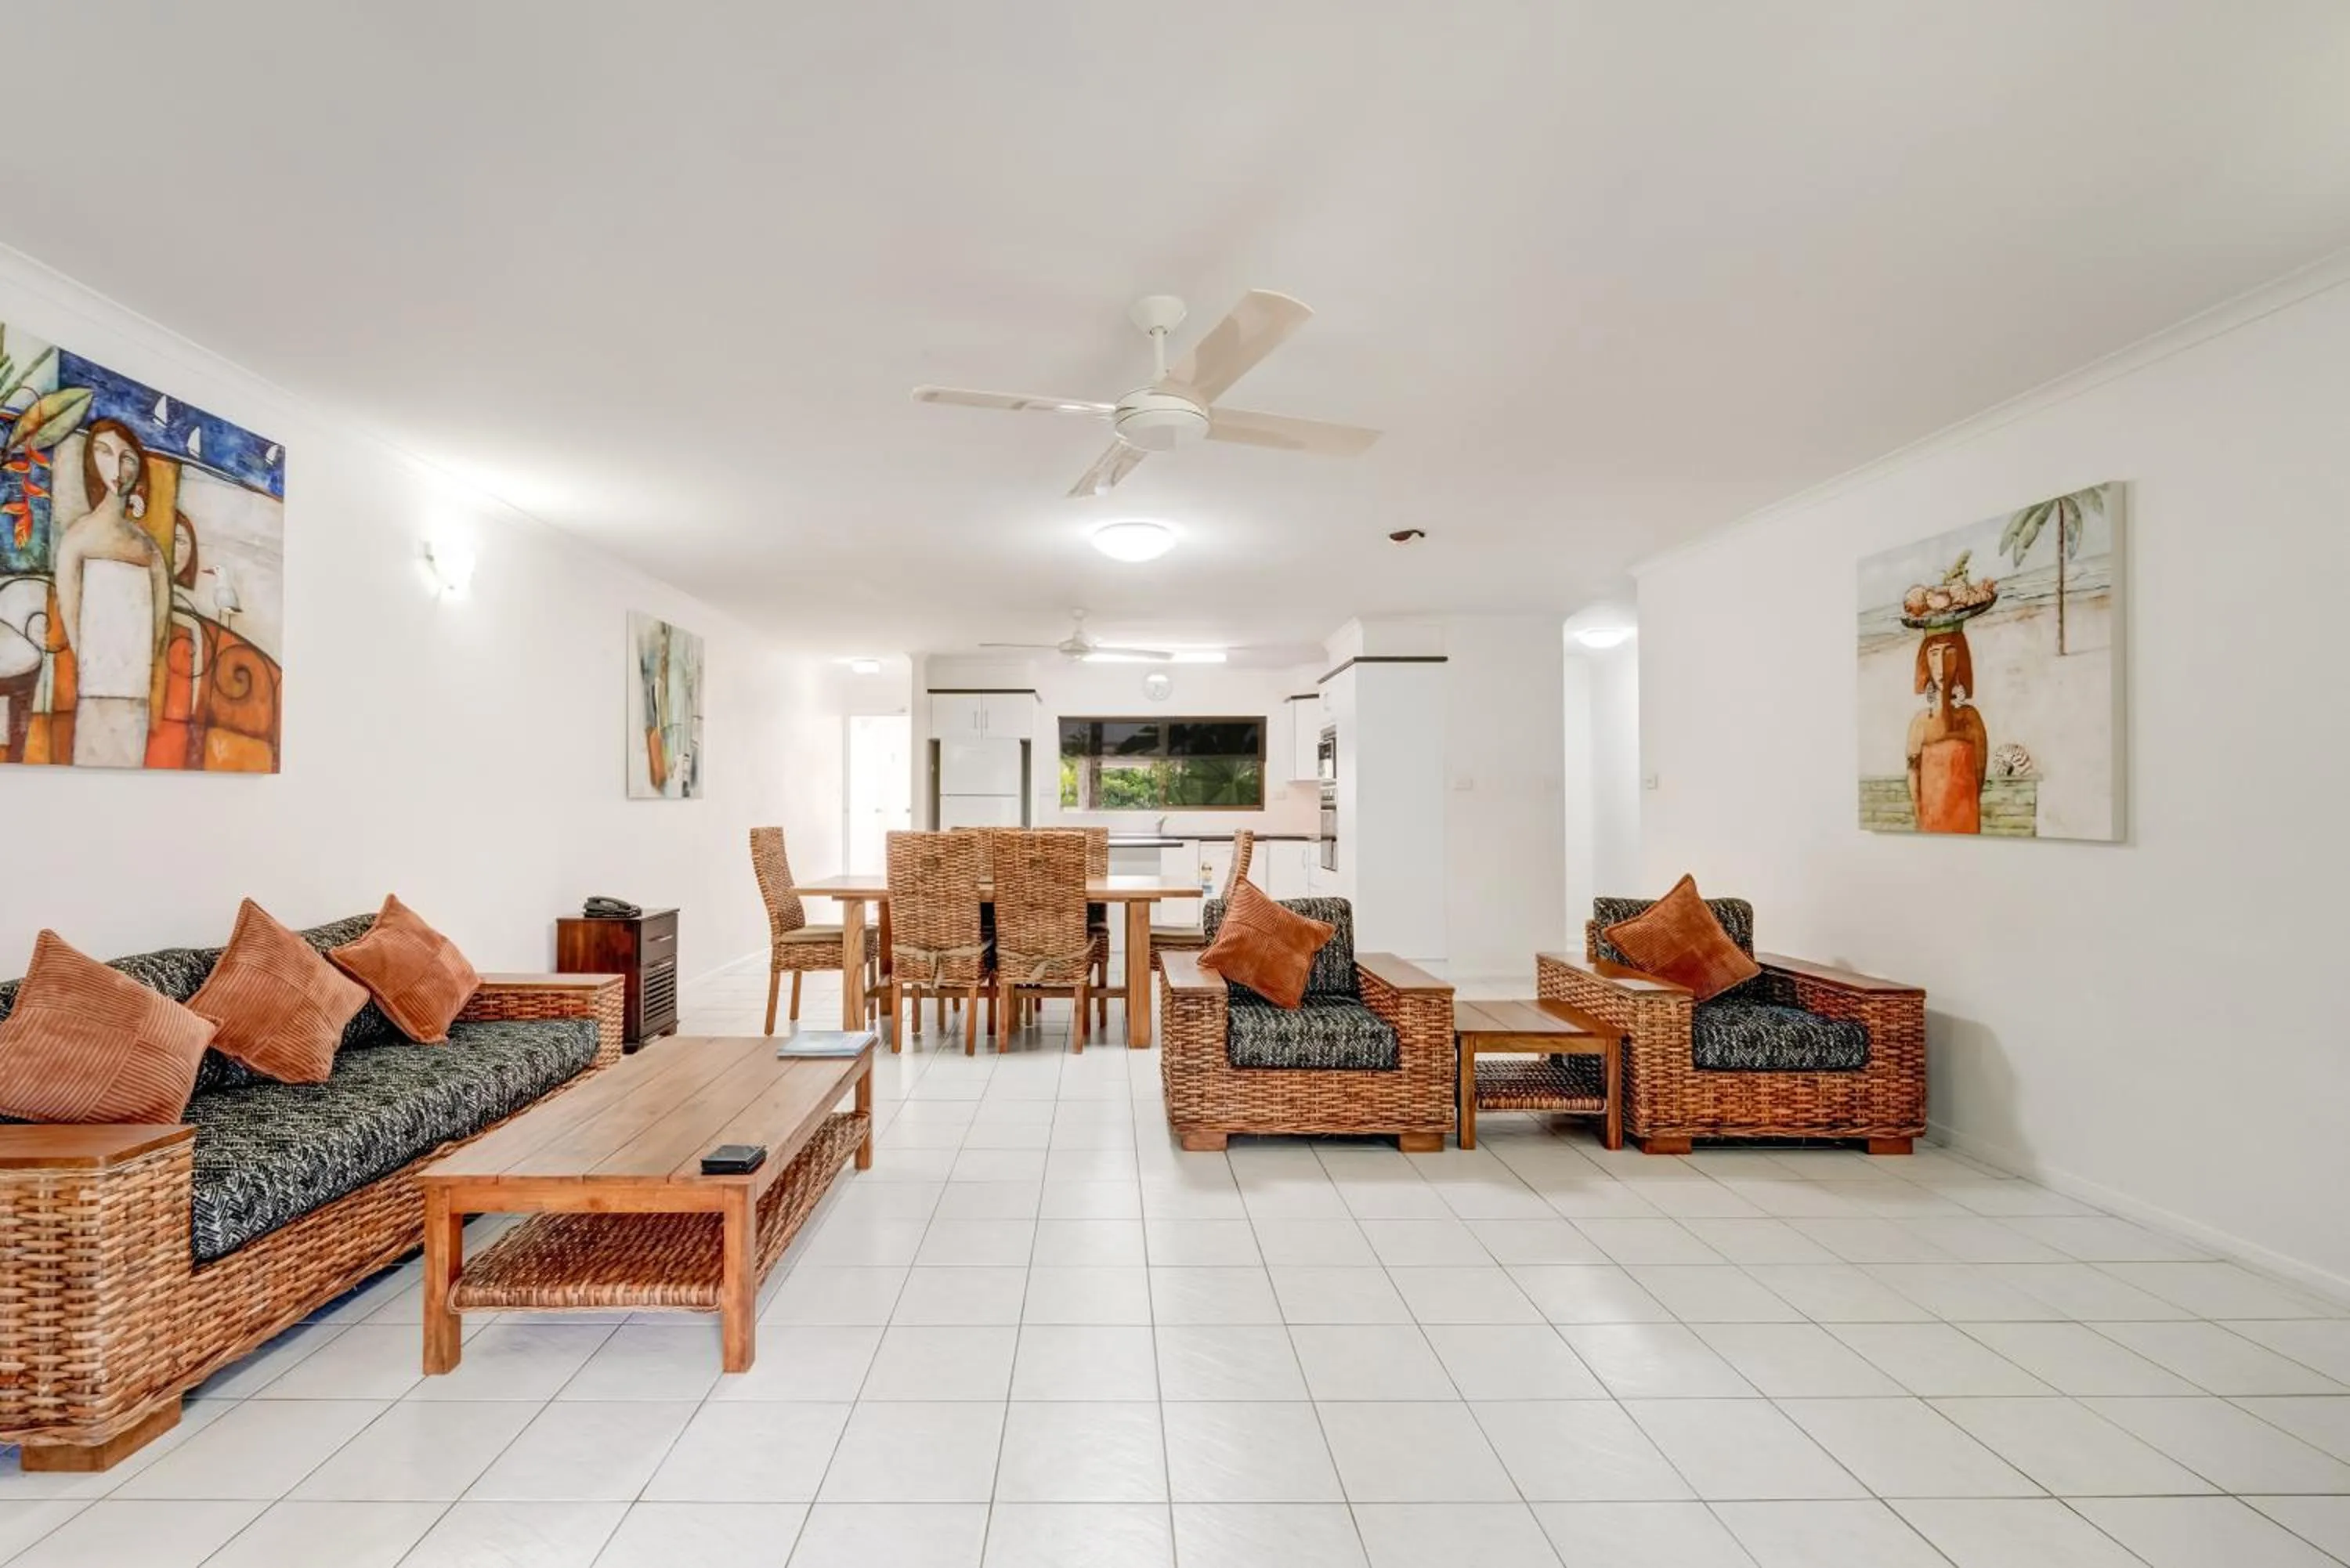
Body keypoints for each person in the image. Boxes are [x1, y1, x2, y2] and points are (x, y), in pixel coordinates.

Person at [52, 418, 170, 768]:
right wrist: (98, 668)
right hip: (95, 686)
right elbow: (72, 618)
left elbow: (159, 628)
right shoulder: (77, 539)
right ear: (91, 460)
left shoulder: (149, 549)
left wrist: (139, 670)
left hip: (136, 689)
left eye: (127, 458)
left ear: (139, 468)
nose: (117, 469)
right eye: (104, 453)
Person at [1906, 628, 1987, 834]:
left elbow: (1979, 774)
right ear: (1925, 660)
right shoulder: (1920, 724)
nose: (1941, 664)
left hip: (1966, 820)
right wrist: (1921, 819)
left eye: (1949, 652)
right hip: (1930, 823)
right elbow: (1914, 779)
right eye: (1934, 654)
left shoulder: (1971, 720)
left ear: (1961, 657)